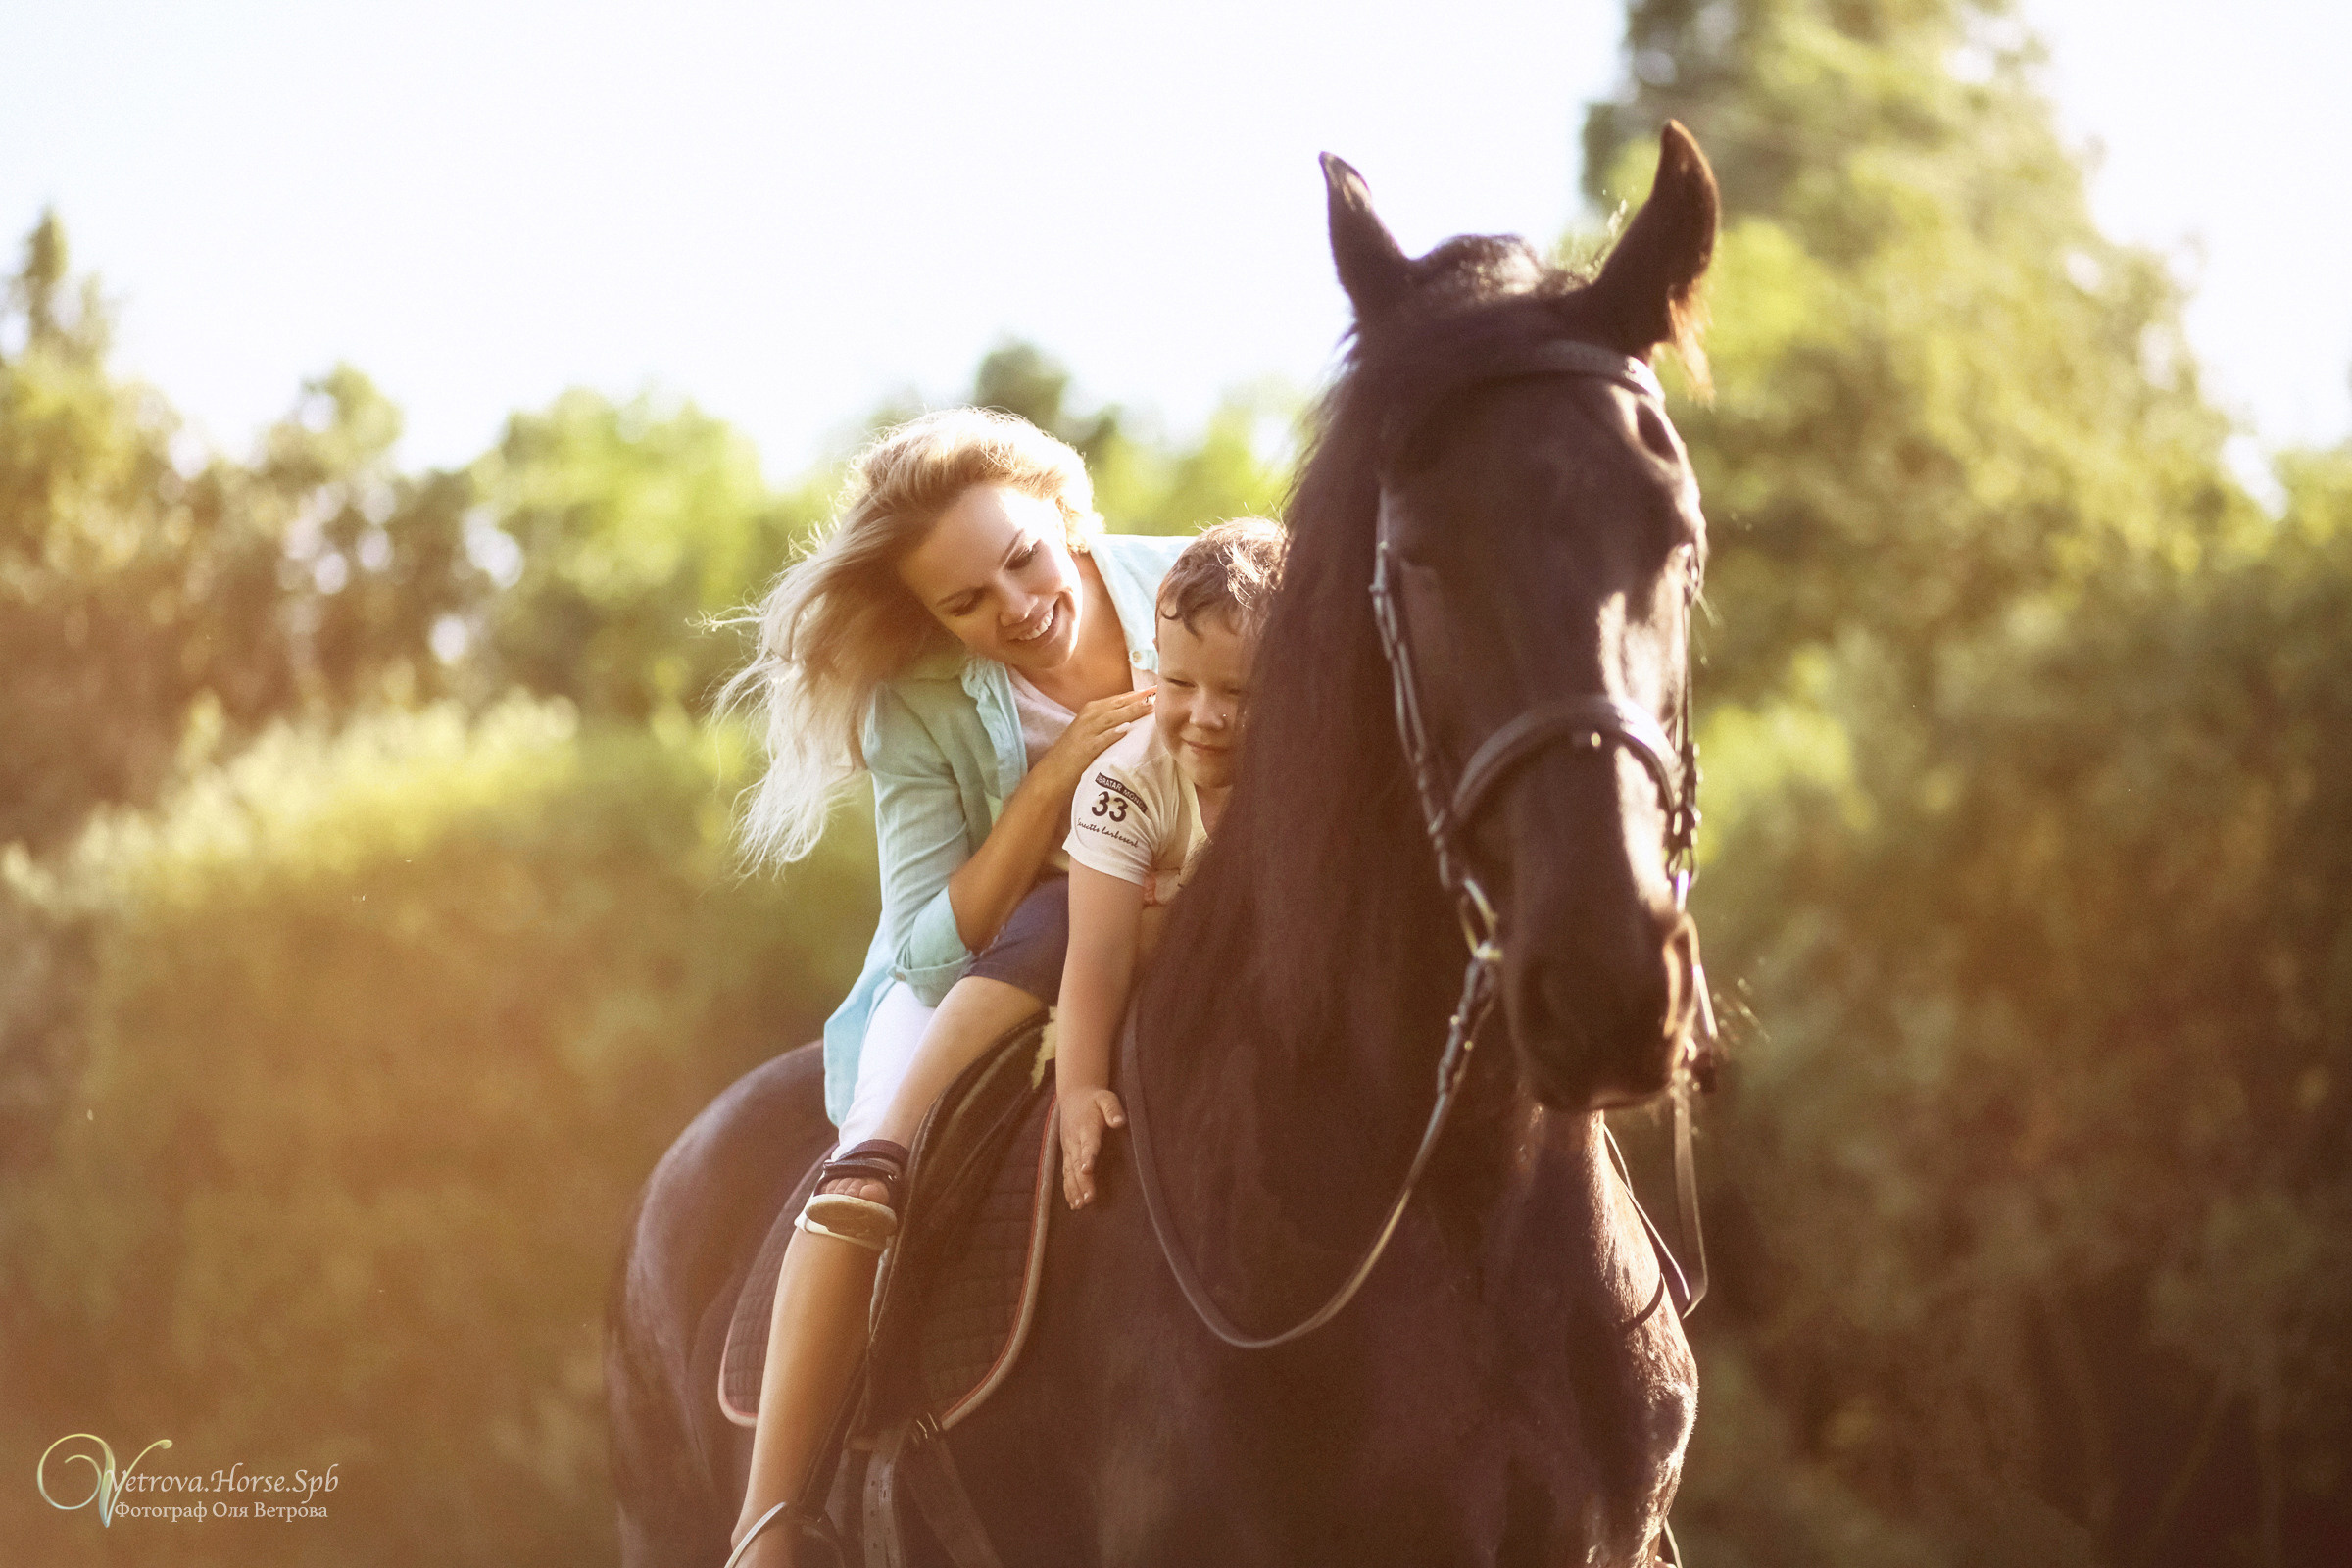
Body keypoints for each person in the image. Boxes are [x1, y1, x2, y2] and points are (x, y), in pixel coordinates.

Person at [721, 408, 1185, 1565]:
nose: (1017, 609)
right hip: (984, 954)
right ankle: (768, 1522)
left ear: (1063, 509)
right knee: (869, 1160)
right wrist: (1051, 785)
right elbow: (933, 938)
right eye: (965, 603)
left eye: (1022, 557)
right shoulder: (916, 702)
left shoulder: (1192, 584)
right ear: (929, 618)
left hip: (1191, 898)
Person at [1053, 518, 1286, 1210]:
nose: (1205, 716)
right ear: (1153, 662)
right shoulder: (1124, 783)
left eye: (1238, 693)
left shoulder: (1317, 770)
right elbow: (1098, 955)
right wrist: (1080, 1090)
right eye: (1179, 683)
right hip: (1167, 989)